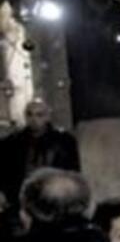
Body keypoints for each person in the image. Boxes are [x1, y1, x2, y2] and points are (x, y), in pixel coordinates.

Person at [0, 98, 80, 233]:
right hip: (20, 198)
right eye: (30, 114)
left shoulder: (64, 142)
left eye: (39, 114)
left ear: (48, 116)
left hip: (54, 196)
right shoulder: (12, 143)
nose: (34, 119)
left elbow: (73, 170)